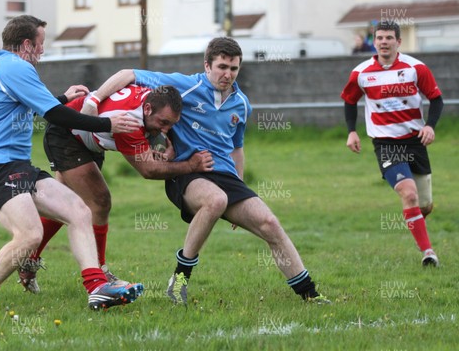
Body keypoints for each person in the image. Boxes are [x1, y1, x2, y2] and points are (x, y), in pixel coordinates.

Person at [76, 37, 329, 305]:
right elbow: (127, 74)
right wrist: (94, 100)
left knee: (270, 225)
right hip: (186, 173)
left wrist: (240, 187)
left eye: (233, 68)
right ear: (206, 65)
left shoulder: (241, 105)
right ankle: (179, 280)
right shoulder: (185, 86)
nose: (227, 74)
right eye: (221, 67)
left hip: (224, 177)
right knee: (215, 200)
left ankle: (310, 295)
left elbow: (236, 149)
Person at [0, 14, 144, 314]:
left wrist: (62, 97)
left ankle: (96, 287)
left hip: (16, 166)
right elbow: (55, 116)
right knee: (30, 235)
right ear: (27, 44)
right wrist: (105, 123)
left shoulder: (3, 66)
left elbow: (28, 108)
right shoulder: (16, 67)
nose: (43, 51)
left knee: (79, 211)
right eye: (41, 44)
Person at [16, 84, 214, 293]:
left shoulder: (153, 99)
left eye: (171, 125)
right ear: (147, 109)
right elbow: (149, 170)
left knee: (65, 206)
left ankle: (28, 262)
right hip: (67, 134)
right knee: (100, 201)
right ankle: (100, 274)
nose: (165, 130)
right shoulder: (128, 120)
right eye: (163, 123)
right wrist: (191, 166)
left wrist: (167, 141)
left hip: (90, 138)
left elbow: (153, 130)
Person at [341, 21, 443, 267]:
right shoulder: (361, 72)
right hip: (386, 143)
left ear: (399, 42)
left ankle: (416, 217)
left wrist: (430, 126)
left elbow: (436, 99)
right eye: (379, 38)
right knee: (408, 194)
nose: (384, 42)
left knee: (424, 203)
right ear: (374, 42)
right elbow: (350, 101)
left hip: (415, 141)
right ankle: (428, 253)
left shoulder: (416, 68)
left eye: (389, 38)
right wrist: (352, 132)